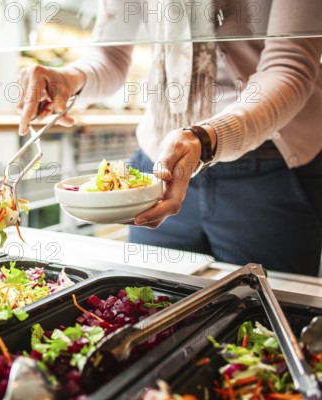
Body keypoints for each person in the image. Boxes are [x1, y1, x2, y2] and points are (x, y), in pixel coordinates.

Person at [17, 1, 322, 276]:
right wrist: (71, 78)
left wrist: (204, 139)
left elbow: (291, 64)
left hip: (270, 168)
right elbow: (109, 55)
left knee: (263, 320)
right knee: (153, 306)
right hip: (159, 164)